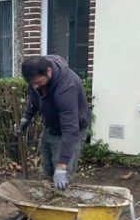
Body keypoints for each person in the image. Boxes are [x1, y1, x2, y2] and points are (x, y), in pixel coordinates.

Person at [15, 55, 90, 192]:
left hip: (72, 130)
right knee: (47, 170)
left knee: (62, 176)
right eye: (32, 83)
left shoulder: (67, 87)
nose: (34, 86)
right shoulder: (36, 78)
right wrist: (26, 117)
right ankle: (47, 205)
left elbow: (70, 129)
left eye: (38, 82)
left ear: (49, 71)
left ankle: (63, 205)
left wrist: (62, 167)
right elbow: (34, 98)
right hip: (51, 126)